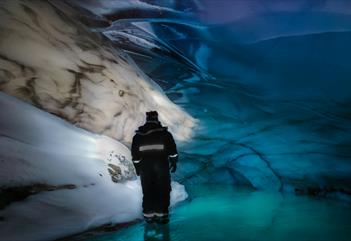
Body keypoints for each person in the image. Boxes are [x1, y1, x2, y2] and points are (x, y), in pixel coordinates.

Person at [131, 111, 178, 224]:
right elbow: (173, 152)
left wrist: (137, 167)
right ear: (157, 119)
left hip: (145, 167)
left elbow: (135, 155)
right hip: (161, 165)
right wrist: (174, 162)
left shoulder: (138, 136)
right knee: (162, 189)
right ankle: (162, 216)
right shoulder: (165, 134)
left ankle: (149, 215)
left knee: (148, 190)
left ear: (147, 119)